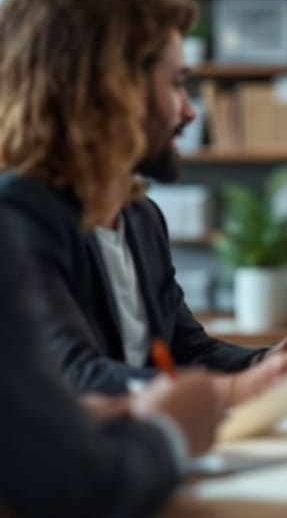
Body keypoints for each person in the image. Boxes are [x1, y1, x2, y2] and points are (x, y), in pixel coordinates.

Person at [0, 0, 287, 405]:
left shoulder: (138, 217)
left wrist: (267, 364)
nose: (190, 110)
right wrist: (228, 391)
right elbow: (71, 376)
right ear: (112, 91)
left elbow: (183, 351)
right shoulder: (17, 214)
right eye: (175, 84)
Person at [0, 206, 225, 518]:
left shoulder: (143, 215)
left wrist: (263, 359)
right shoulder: (22, 211)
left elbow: (188, 346)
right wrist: (169, 431)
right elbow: (79, 488)